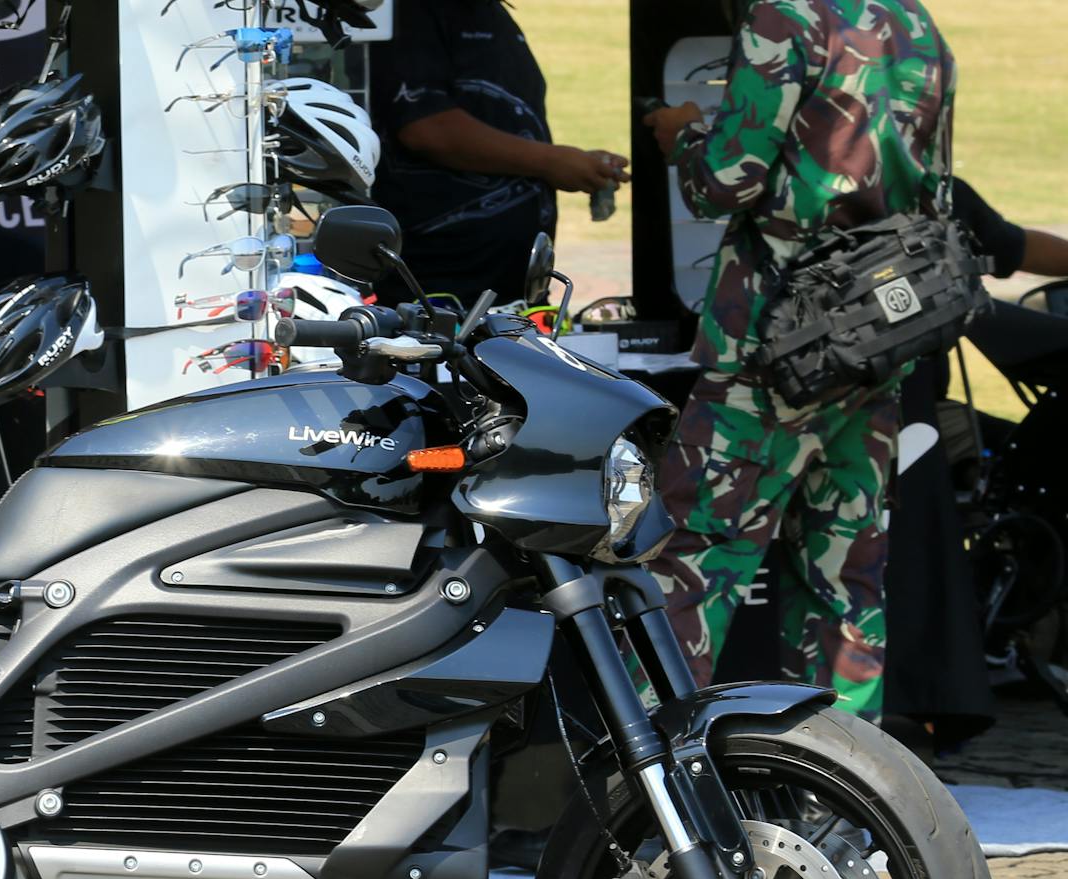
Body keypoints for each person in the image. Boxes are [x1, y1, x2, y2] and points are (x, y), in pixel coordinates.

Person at [641, 0, 954, 721]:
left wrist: (682, 132)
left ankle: (653, 795)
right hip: (874, 341)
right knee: (847, 583)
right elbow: (933, 190)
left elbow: (726, 179)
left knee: (691, 563)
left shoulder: (782, 16)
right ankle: (847, 802)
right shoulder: (914, 22)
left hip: (770, 345)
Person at [884, 178, 1068, 744]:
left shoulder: (929, 187)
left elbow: (1007, 246)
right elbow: (1009, 248)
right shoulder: (919, 182)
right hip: (905, 422)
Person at [367, 0, 628, 307]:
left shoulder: (489, 12)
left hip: (506, 287)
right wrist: (550, 160)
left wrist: (571, 161)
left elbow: (501, 124)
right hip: (442, 284)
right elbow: (427, 128)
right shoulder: (410, 11)